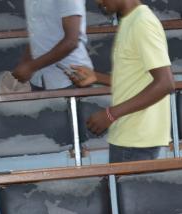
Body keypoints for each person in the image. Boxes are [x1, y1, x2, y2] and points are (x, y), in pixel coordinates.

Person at [70, 0, 174, 164]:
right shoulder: (130, 20)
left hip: (136, 137)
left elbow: (165, 83)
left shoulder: (142, 22)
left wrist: (110, 114)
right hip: (131, 134)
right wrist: (97, 77)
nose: (97, 2)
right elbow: (136, 78)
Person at [13, 0, 93, 90]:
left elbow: (71, 42)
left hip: (71, 78)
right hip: (39, 78)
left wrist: (30, 67)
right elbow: (37, 34)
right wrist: (25, 64)